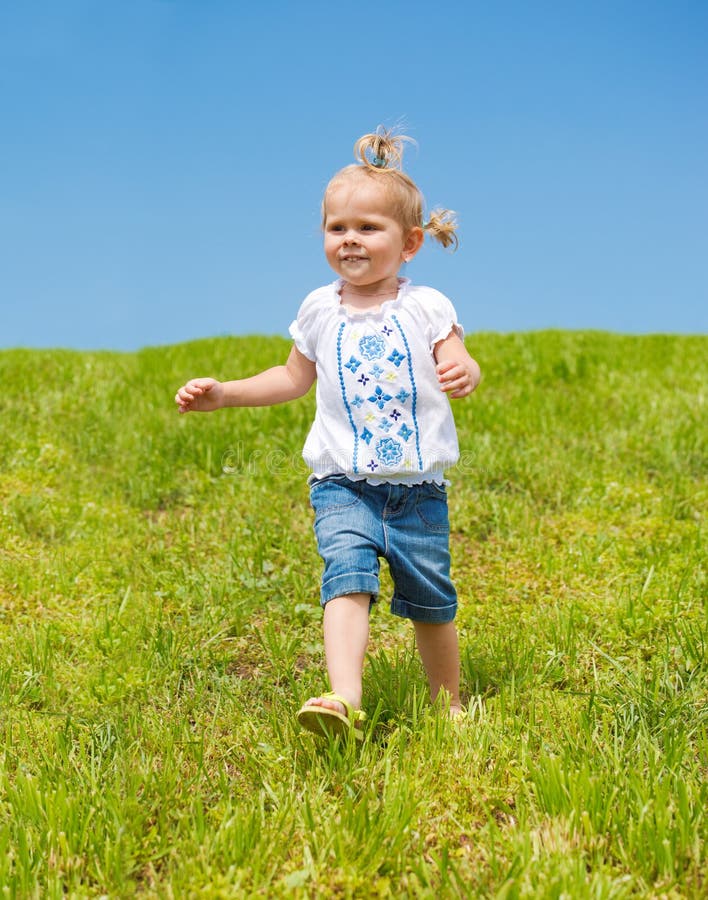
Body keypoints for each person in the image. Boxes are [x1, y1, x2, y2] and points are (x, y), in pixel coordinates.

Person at [175, 128, 481, 740]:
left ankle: (448, 705)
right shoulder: (319, 308)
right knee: (347, 577)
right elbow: (291, 377)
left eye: (368, 228)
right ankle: (343, 699)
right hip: (341, 484)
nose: (350, 239)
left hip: (417, 490)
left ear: (411, 242)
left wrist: (464, 369)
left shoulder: (426, 307)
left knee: (431, 600)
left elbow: (460, 353)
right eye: (337, 227)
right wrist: (227, 393)